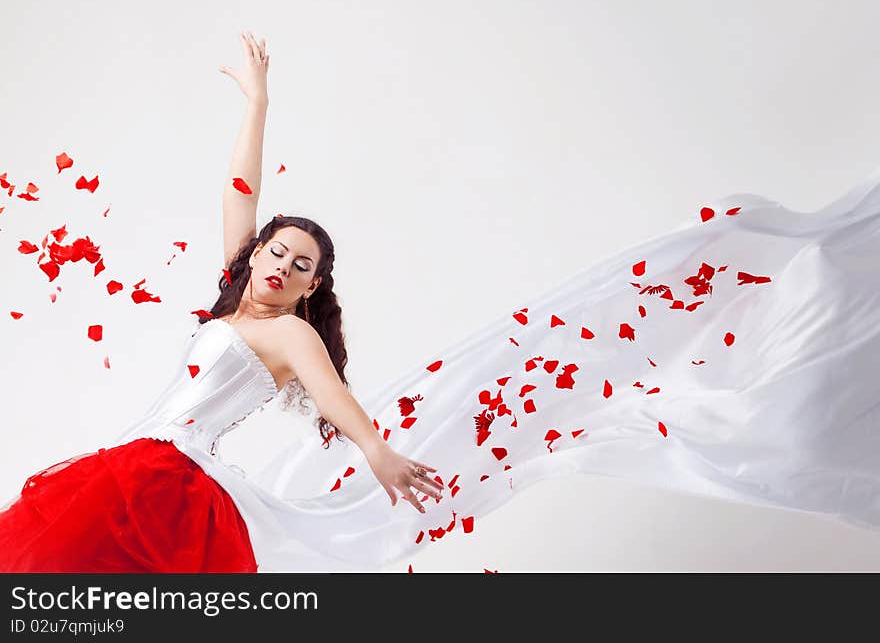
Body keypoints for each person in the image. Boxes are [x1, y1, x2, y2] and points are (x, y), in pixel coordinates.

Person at [3, 31, 880, 573]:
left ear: (313, 285)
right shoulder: (234, 302)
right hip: (132, 467)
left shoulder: (289, 337)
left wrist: (382, 457)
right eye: (274, 250)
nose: (278, 263)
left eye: (298, 262)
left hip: (171, 482)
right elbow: (240, 186)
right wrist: (259, 99)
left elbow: (339, 401)